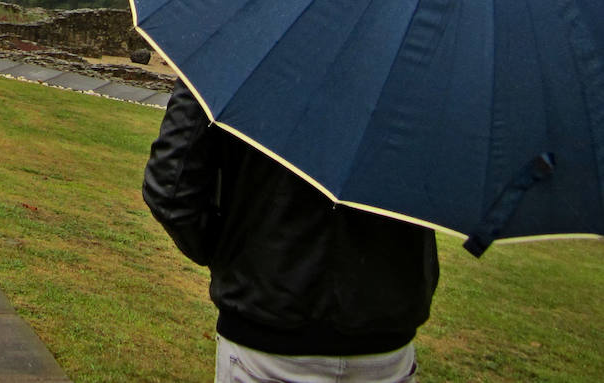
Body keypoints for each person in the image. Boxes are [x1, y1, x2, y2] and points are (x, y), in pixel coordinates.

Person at [143, 81, 440, 383]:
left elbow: (171, 191)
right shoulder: (429, 61)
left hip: (269, 323)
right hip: (381, 329)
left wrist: (233, 258)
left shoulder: (239, 44)